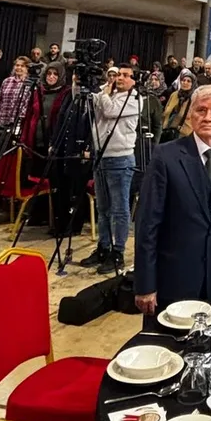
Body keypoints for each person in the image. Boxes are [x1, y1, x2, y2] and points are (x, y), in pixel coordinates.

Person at [133, 84, 211, 317]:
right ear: (190, 115)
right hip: (174, 280)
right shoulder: (166, 156)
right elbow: (147, 225)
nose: (208, 117)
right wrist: (145, 285)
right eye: (201, 110)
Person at [78, 65, 142, 275]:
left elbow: (110, 111)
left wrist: (104, 93)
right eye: (117, 75)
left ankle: (118, 251)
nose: (119, 78)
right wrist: (80, 84)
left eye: (125, 75)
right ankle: (103, 247)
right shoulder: (108, 93)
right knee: (102, 208)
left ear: (134, 80)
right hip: (101, 157)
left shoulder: (135, 99)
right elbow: (87, 101)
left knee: (120, 209)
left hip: (120, 159)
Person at [0, 57, 30, 131]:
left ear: (27, 68)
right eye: (17, 65)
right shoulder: (6, 81)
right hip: (2, 122)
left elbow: (27, 106)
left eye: (22, 66)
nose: (19, 67)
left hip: (18, 125)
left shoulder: (29, 84)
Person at [162, 70, 196, 140]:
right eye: (183, 80)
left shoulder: (195, 98)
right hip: (168, 132)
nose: (185, 83)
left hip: (185, 135)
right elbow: (166, 111)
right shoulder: (174, 95)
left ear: (193, 84)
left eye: (188, 81)